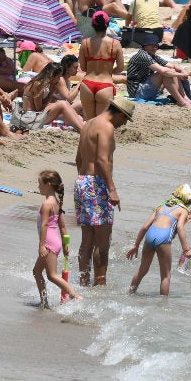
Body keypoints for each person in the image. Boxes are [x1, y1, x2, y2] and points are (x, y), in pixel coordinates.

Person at [75, 94, 130, 286]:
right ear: (120, 115)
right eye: (125, 120)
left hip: (82, 181)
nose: (123, 125)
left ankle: (83, 282)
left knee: (87, 240)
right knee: (102, 241)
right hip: (97, 185)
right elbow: (102, 160)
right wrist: (112, 190)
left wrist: (84, 183)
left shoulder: (88, 124)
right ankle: (100, 286)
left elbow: (79, 159)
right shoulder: (106, 127)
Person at [127, 185, 191, 296]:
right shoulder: (183, 210)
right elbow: (180, 227)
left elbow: (145, 227)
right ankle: (163, 305)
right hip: (163, 238)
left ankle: (130, 293)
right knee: (166, 276)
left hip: (150, 235)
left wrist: (136, 245)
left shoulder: (161, 206)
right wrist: (186, 249)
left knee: (142, 270)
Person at [32, 170, 80, 307]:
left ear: (48, 185)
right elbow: (63, 227)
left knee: (52, 275)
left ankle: (74, 295)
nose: (38, 187)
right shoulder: (56, 203)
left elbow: (44, 224)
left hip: (48, 242)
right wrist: (65, 245)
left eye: (40, 184)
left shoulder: (47, 204)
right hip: (56, 241)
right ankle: (44, 302)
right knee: (36, 272)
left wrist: (41, 245)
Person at [78, 11, 122, 122]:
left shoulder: (85, 43)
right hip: (105, 84)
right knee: (101, 123)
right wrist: (109, 73)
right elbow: (120, 67)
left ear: (93, 25)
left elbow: (83, 68)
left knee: (89, 121)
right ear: (107, 25)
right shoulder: (115, 44)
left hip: (87, 84)